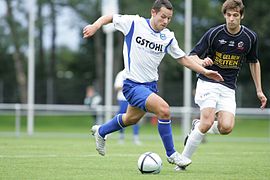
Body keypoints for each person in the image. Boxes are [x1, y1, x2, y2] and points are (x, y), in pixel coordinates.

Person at [83, 0, 223, 170]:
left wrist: (204, 71)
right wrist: (95, 26)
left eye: (169, 18)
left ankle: (101, 131)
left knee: (130, 119)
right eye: (163, 17)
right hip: (132, 85)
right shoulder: (134, 23)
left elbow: (183, 59)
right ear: (153, 12)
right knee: (164, 109)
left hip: (150, 86)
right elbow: (110, 17)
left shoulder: (168, 37)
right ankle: (172, 154)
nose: (165, 21)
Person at [179, 0, 268, 171]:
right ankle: (182, 161)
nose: (232, 19)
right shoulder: (214, 33)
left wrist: (259, 90)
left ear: (241, 16)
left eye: (235, 15)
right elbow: (192, 56)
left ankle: (197, 126)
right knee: (206, 122)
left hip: (228, 87)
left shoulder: (250, 37)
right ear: (224, 15)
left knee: (226, 127)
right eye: (228, 15)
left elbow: (254, 62)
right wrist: (203, 61)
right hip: (208, 82)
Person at [114, 70, 141, 145]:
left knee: (136, 117)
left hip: (134, 99)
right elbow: (117, 86)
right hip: (123, 99)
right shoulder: (121, 74)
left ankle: (136, 137)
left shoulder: (136, 72)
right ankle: (121, 137)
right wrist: (128, 87)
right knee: (122, 118)